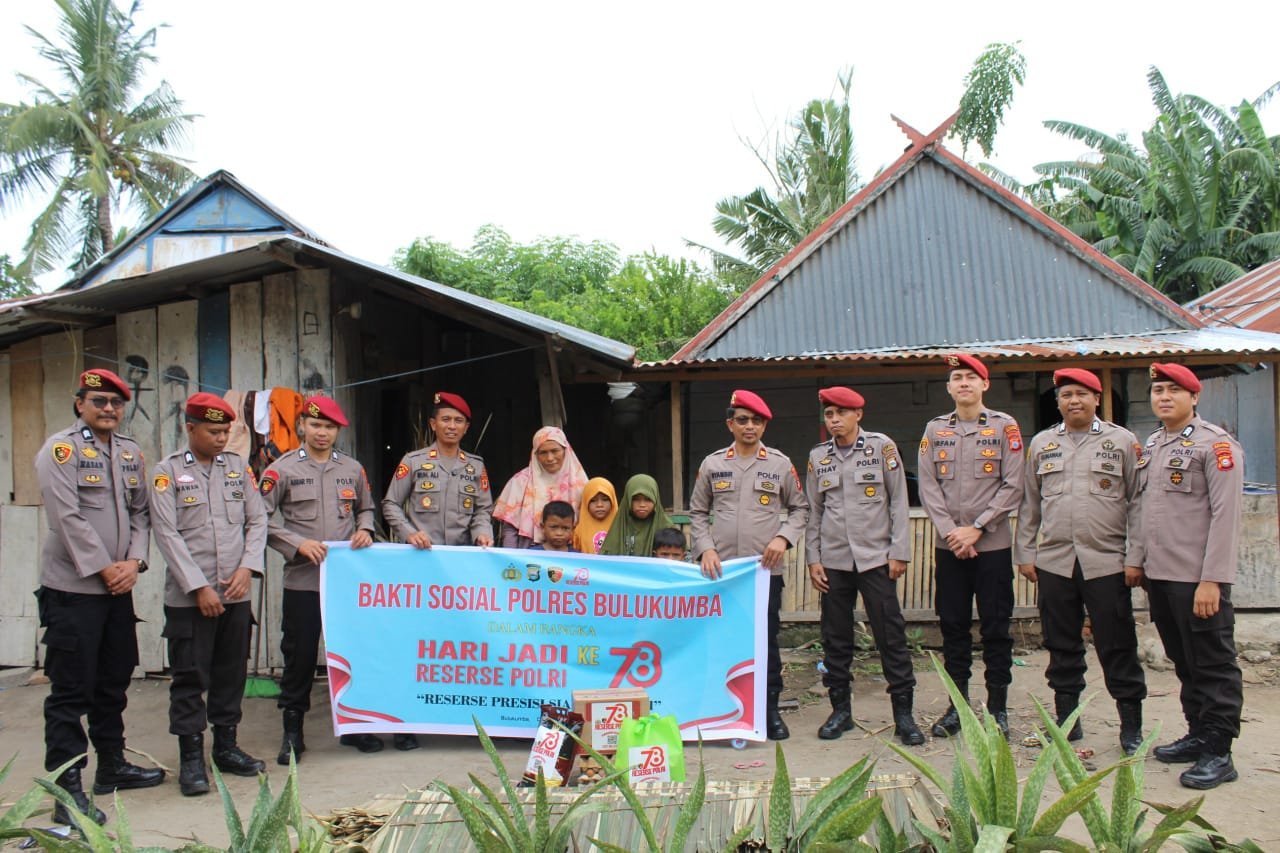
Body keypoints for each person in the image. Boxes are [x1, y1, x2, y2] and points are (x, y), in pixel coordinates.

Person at [34, 368, 164, 825]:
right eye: (99, 401)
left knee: (113, 681)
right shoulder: (61, 450)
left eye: (116, 402)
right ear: (80, 404)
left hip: (117, 590)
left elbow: (141, 512)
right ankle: (67, 791)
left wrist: (135, 562)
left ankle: (112, 765)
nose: (109, 408)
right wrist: (105, 567)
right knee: (70, 692)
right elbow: (66, 516)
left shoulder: (129, 452)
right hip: (73, 591)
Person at [1014, 368, 1147, 754]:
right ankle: (1067, 723)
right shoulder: (1042, 444)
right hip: (1055, 562)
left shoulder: (1122, 442)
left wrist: (1135, 556)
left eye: (1081, 394)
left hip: (1107, 562)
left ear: (1096, 399)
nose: (1074, 401)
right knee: (1061, 646)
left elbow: (1138, 503)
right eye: (1066, 395)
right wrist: (1025, 552)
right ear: (1057, 402)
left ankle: (1131, 728)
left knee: (1117, 645)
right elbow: (1030, 503)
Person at [151, 393, 268, 796]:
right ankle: (191, 760)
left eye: (225, 432)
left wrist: (248, 567)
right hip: (189, 600)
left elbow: (257, 520)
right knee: (189, 678)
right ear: (190, 428)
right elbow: (166, 533)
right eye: (213, 431)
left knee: (230, 675)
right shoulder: (167, 473)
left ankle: (226, 747)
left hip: (235, 593)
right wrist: (199, 586)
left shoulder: (237, 468)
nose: (221, 439)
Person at [1139, 363, 1244, 789]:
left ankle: (1219, 751)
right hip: (1161, 576)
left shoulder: (1215, 445)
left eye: (1173, 390)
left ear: (1194, 397)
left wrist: (1212, 580)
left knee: (1213, 664)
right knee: (1185, 660)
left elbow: (1226, 516)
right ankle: (1199, 732)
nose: (1164, 397)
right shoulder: (1154, 444)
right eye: (1158, 390)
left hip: (1197, 578)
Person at [261, 395, 379, 762]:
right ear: (302, 426)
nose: (322, 432)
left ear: (337, 431)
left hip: (345, 583)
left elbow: (366, 508)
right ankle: (292, 731)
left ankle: (356, 727)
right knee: (299, 656)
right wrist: (296, 543)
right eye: (315, 425)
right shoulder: (281, 470)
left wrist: (365, 529)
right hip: (303, 581)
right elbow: (259, 519)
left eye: (329, 427)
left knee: (353, 653)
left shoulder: (352, 469)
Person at [805, 386, 924, 746]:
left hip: (876, 559)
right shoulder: (818, 457)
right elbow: (814, 511)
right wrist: (813, 559)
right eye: (829, 414)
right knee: (835, 638)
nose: (834, 420)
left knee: (891, 636)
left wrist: (899, 551)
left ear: (858, 414)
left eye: (841, 413)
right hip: (834, 561)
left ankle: (904, 716)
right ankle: (840, 712)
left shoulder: (881, 448)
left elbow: (898, 501)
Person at [690, 390, 808, 740]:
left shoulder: (779, 464)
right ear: (730, 424)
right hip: (721, 573)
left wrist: (782, 538)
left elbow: (800, 509)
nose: (749, 426)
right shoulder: (712, 464)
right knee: (720, 640)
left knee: (765, 641)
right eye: (742, 420)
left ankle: (769, 710)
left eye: (757, 421)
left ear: (764, 426)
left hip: (762, 573)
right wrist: (705, 549)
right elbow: (697, 512)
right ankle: (719, 709)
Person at [917, 354, 1024, 739]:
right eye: (957, 378)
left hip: (991, 547)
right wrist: (952, 533)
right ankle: (957, 708)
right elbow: (928, 486)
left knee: (996, 628)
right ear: (949, 388)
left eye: (971, 377)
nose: (964, 383)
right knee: (953, 628)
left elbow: (1013, 484)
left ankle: (997, 709)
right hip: (950, 549)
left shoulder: (1005, 427)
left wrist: (977, 528)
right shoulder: (934, 429)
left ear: (984, 384)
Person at [382, 392, 494, 550]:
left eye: (458, 421)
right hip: (422, 553)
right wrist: (410, 534)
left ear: (466, 428)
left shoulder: (476, 466)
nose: (452, 426)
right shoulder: (413, 461)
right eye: (446, 419)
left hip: (462, 555)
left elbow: (483, 510)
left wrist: (482, 534)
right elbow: (391, 504)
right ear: (433, 424)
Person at [493, 426, 588, 549]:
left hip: (571, 555)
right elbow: (510, 529)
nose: (550, 458)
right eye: (543, 452)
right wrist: (510, 556)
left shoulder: (580, 482)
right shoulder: (520, 482)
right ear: (535, 454)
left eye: (555, 451)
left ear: (566, 450)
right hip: (527, 554)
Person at [600, 474, 674, 557]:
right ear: (628, 500)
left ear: (655, 500)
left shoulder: (667, 528)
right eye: (636, 499)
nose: (642, 504)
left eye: (648, 499)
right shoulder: (619, 526)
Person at [573, 477, 618, 554]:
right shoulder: (579, 532)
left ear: (612, 501)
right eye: (593, 500)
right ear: (586, 502)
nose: (599, 505)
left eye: (605, 499)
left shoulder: (621, 529)